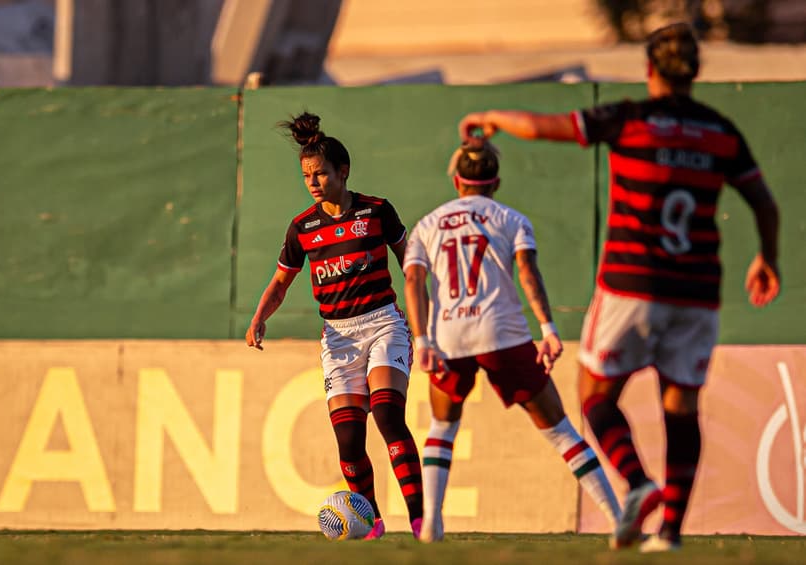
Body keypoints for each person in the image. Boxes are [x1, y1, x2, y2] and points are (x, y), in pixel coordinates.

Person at [457, 22, 780, 552]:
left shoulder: (630, 118)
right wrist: (767, 257)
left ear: (649, 68)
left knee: (594, 396)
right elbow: (764, 202)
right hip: (697, 290)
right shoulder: (721, 130)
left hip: (632, 283)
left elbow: (547, 127)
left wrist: (493, 118)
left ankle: (638, 482)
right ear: (696, 72)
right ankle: (670, 531)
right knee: (681, 406)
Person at [403, 141, 621, 543]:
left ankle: (431, 522)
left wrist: (422, 339)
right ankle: (618, 519)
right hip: (502, 332)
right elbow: (528, 274)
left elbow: (414, 281)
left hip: (449, 335)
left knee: (442, 426)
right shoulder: (512, 219)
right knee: (560, 431)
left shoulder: (428, 224)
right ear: (495, 182)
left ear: (456, 181)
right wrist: (548, 328)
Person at [245, 112, 423, 540]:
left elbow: (410, 261)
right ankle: (373, 523)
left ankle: (421, 522)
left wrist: (423, 313)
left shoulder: (377, 211)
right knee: (348, 440)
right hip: (338, 337)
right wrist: (259, 317)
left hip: (383, 325)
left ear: (343, 172)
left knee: (387, 414)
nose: (313, 181)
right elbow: (281, 282)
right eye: (307, 175)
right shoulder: (302, 228)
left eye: (320, 173)